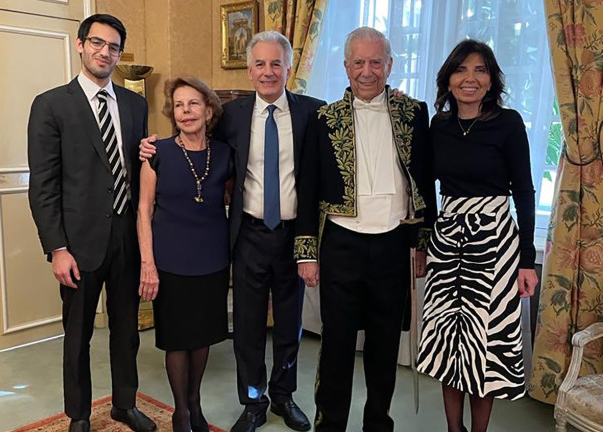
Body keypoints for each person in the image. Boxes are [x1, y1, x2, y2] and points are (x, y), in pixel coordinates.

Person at [140, 31, 325, 432]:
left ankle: (283, 396)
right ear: (249, 70)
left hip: (295, 236)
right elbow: (193, 143)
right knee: (248, 325)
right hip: (247, 235)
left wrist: (390, 97)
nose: (268, 71)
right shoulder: (233, 116)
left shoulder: (314, 112)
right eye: (259, 64)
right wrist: (151, 148)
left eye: (276, 63)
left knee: (290, 323)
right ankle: (253, 402)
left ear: (289, 69)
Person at [295, 27, 434, 432]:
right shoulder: (323, 118)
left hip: (393, 245)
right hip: (340, 244)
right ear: (346, 66)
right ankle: (330, 424)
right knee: (336, 344)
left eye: (376, 62)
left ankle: (378, 423)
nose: (367, 71)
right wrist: (306, 251)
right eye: (359, 62)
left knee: (384, 342)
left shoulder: (414, 113)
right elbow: (308, 186)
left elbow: (424, 181)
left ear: (390, 66)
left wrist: (422, 243)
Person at [27, 14, 156, 432]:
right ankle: (79, 414)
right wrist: (57, 248)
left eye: (114, 47)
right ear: (80, 45)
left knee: (127, 332)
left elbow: (139, 172)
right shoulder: (51, 104)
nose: (105, 52)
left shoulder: (135, 105)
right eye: (97, 43)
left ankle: (124, 405)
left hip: (126, 239)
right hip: (78, 244)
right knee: (78, 336)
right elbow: (44, 185)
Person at [416, 40, 538, 432]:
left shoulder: (509, 123)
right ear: (448, 80)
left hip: (496, 244)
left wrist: (527, 259)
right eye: (461, 70)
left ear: (491, 81)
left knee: (484, 347)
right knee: (448, 343)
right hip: (448, 240)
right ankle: (454, 429)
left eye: (480, 70)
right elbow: (424, 182)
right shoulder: (439, 125)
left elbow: (524, 190)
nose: (470, 78)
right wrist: (430, 234)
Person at [137, 76, 230, 432]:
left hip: (212, 258)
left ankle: (195, 401)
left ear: (208, 110)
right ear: (172, 113)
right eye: (178, 105)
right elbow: (143, 210)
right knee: (177, 338)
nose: (185, 111)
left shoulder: (224, 153)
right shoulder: (155, 152)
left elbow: (232, 200)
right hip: (169, 260)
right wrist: (148, 264)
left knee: (202, 336)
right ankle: (181, 411)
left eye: (193, 104)